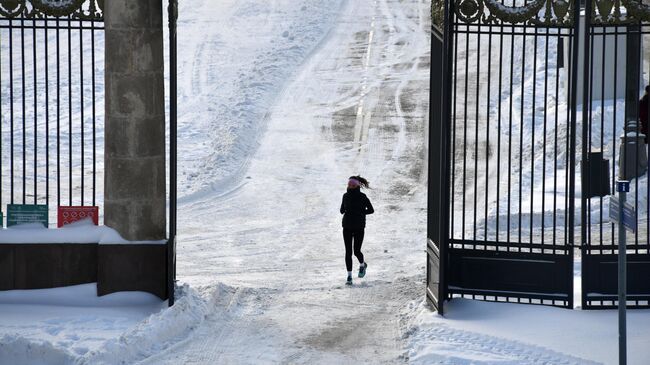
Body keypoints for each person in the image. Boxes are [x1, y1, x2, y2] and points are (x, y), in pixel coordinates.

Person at [340, 175, 374, 285]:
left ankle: (362, 265)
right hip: (347, 227)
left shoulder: (363, 197)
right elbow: (342, 210)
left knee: (357, 251)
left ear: (357, 185)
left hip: (359, 227)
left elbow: (371, 210)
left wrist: (360, 213)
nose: (350, 186)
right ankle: (349, 276)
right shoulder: (345, 196)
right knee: (348, 252)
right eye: (349, 184)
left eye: (353, 184)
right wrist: (344, 210)